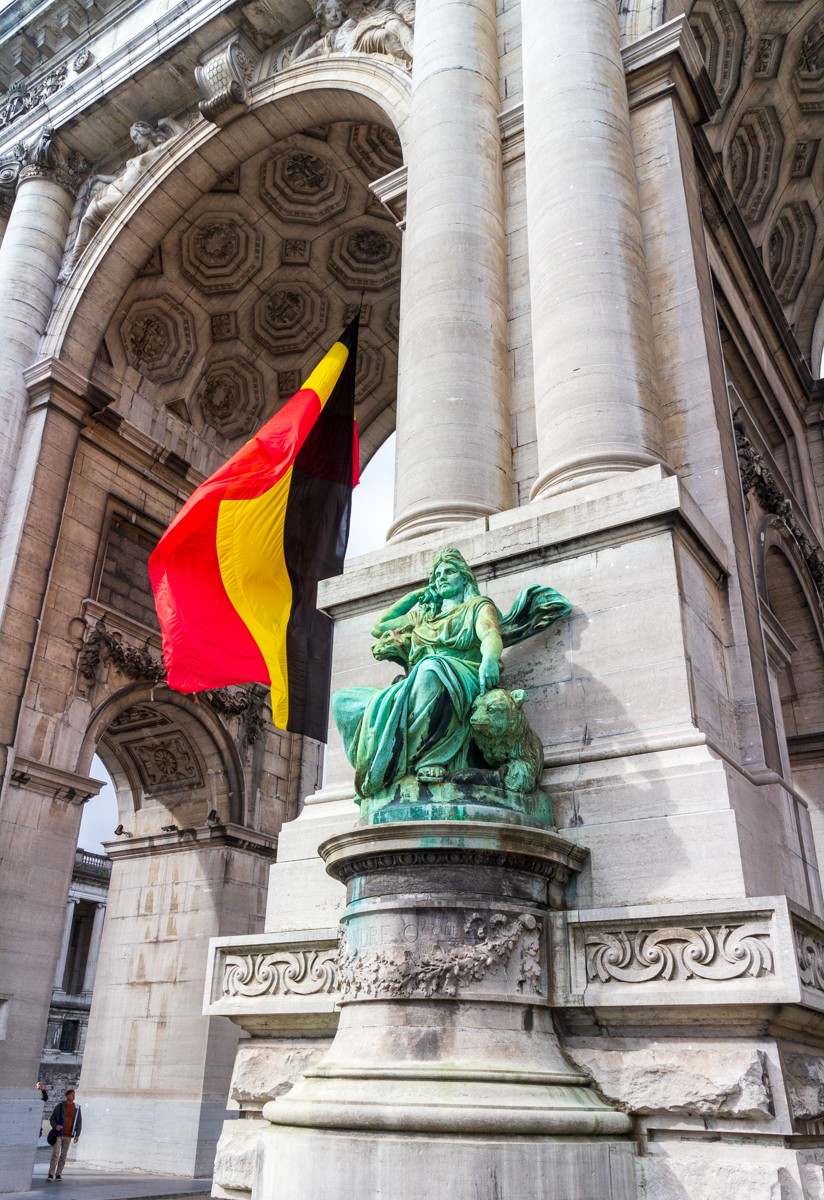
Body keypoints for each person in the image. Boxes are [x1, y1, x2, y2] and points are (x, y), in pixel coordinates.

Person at [331, 548, 570, 798]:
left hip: (463, 675)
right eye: (437, 575)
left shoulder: (477, 606)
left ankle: (428, 757)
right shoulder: (423, 617)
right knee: (343, 702)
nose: (442, 578)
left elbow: (489, 633)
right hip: (416, 684)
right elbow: (379, 627)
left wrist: (489, 658)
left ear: (464, 577)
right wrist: (417, 594)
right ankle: (383, 766)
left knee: (431, 667)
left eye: (449, 571)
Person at [48, 1088, 81, 1181]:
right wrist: (56, 1126)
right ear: (66, 1096)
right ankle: (51, 1173)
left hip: (68, 1134)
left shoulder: (77, 1108)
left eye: (74, 1094)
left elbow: (79, 1122)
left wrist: (77, 1134)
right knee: (55, 1153)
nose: (73, 1096)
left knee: (63, 1155)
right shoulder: (60, 1106)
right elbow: (52, 1119)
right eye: (71, 1094)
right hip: (59, 1134)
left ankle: (58, 1173)